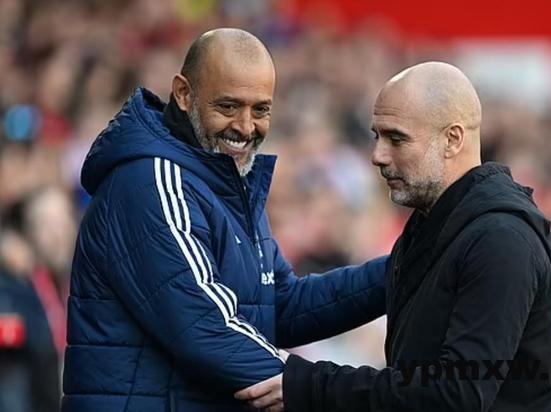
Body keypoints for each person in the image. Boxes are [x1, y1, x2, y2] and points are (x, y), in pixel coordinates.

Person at [61, 28, 388, 411]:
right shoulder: (151, 181)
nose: (246, 127)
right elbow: (204, 327)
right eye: (229, 107)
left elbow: (280, 307)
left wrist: (399, 271)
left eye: (260, 110)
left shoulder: (223, 180)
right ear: (184, 94)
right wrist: (320, 389)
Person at [237, 62, 551, 411]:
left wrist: (313, 386)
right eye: (377, 137)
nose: (378, 156)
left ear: (452, 139)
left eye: (396, 139)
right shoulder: (438, 224)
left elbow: (456, 395)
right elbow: (340, 297)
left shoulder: (500, 240)